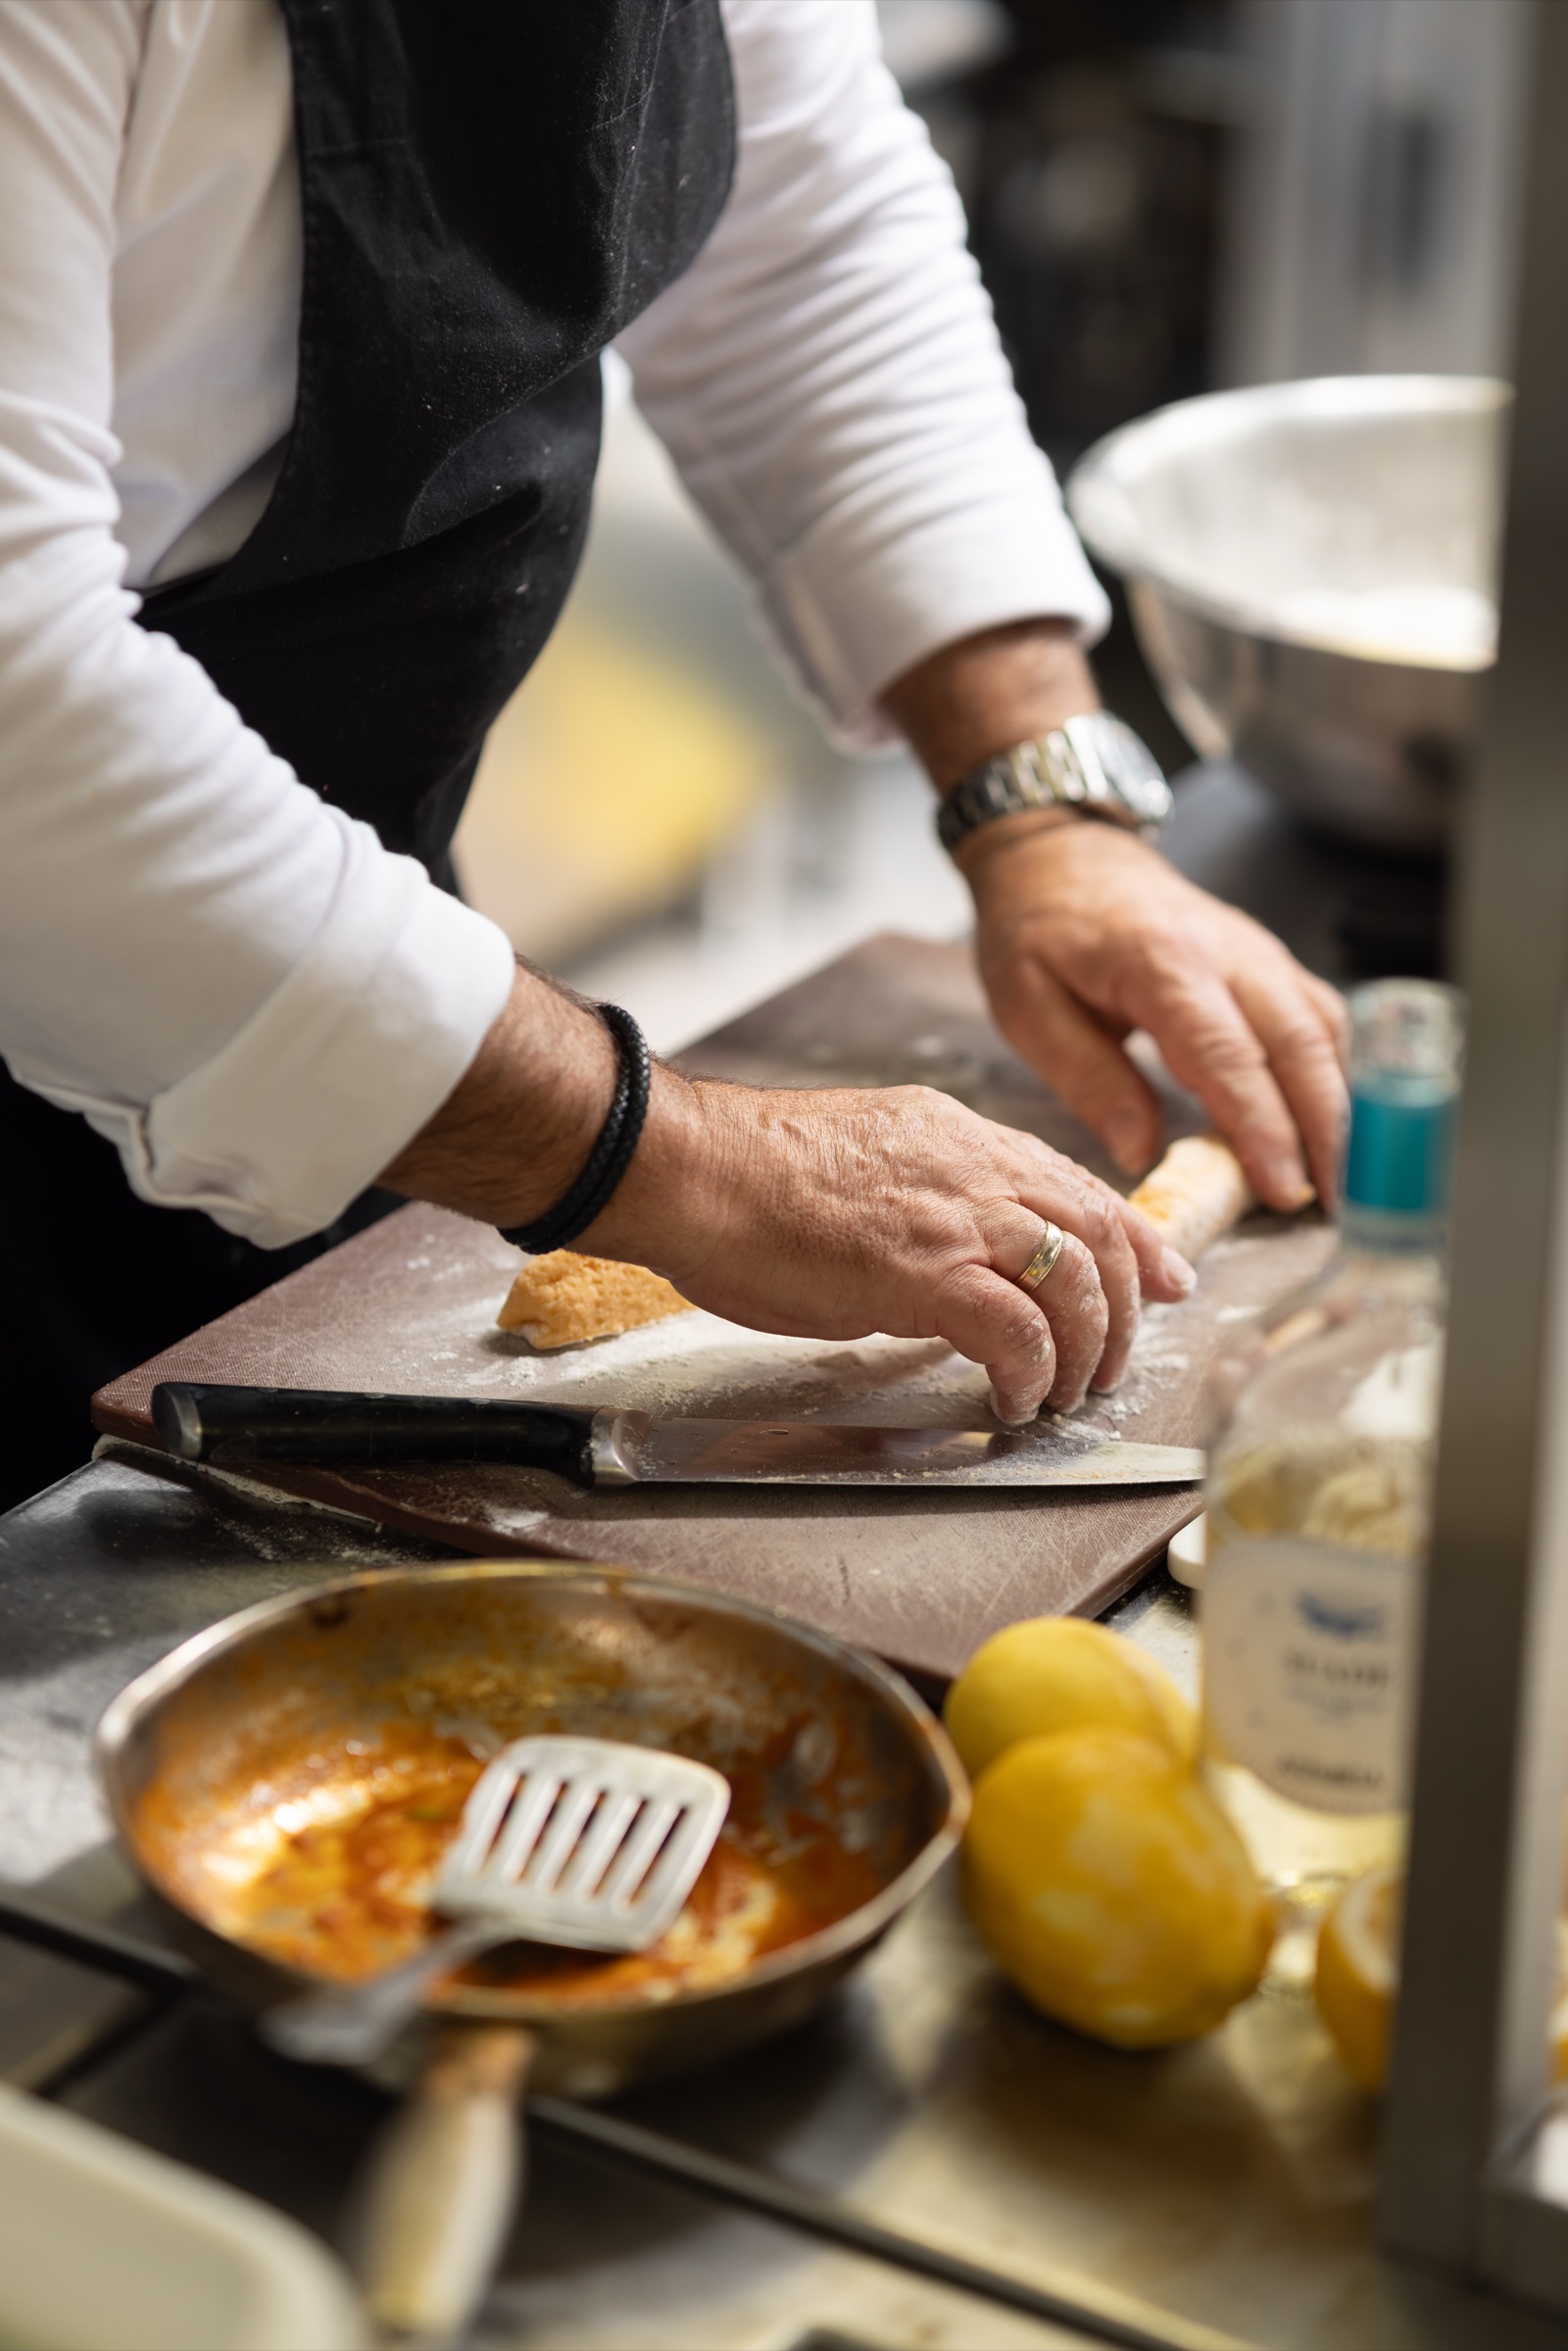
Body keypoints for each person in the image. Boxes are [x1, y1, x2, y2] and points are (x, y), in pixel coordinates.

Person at [0, 0, 1347, 1510]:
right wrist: (681, 1160)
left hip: (328, 947)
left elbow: (809, 235)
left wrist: (1043, 804)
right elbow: (15, 698)